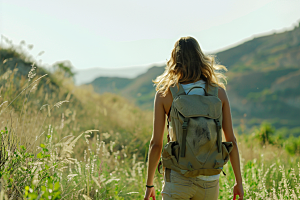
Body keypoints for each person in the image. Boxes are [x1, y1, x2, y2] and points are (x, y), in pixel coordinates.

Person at [144, 36, 244, 200]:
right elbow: (231, 140)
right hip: (209, 179)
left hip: (178, 177)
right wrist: (238, 182)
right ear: (200, 58)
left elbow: (156, 144)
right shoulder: (218, 93)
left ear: (174, 61)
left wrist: (149, 185)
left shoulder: (165, 95)